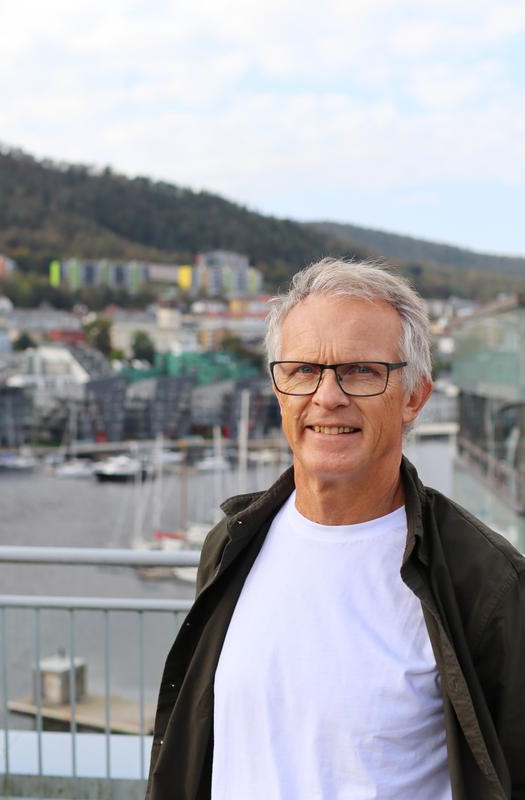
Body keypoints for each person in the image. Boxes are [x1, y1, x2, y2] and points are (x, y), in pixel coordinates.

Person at [146, 258, 525, 800]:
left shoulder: (485, 583)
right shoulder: (231, 544)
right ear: (279, 388)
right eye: (303, 370)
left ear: (414, 396)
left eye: (361, 371)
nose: (327, 396)